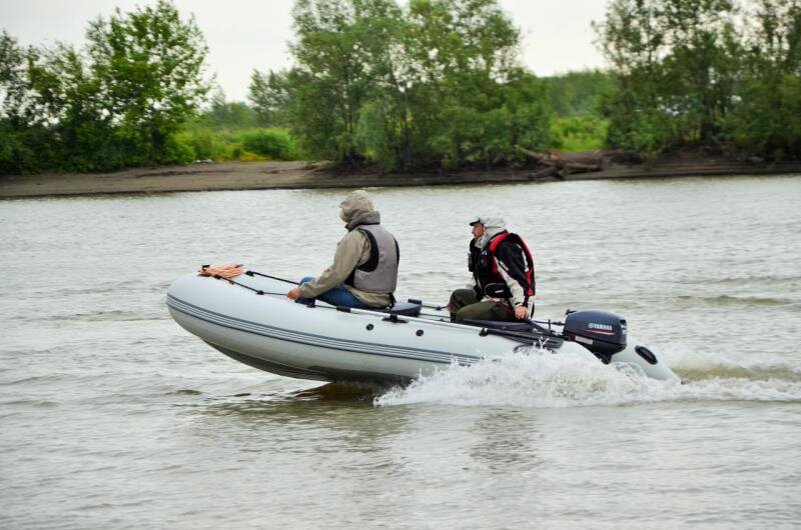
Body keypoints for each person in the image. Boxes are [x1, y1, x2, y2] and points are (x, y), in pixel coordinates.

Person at [286, 189, 399, 309]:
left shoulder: (356, 236)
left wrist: (302, 291)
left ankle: (303, 320)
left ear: (350, 211)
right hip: (385, 299)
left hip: (363, 300)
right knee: (311, 285)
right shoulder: (387, 234)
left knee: (305, 282)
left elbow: (337, 274)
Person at [448, 216, 535, 323]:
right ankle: (457, 328)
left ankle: (465, 328)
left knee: (464, 314)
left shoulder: (505, 247)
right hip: (490, 299)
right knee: (458, 296)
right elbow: (476, 279)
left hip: (508, 305)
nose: (472, 231)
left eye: (475, 227)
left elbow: (517, 279)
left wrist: (521, 305)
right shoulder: (484, 248)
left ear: (486, 228)